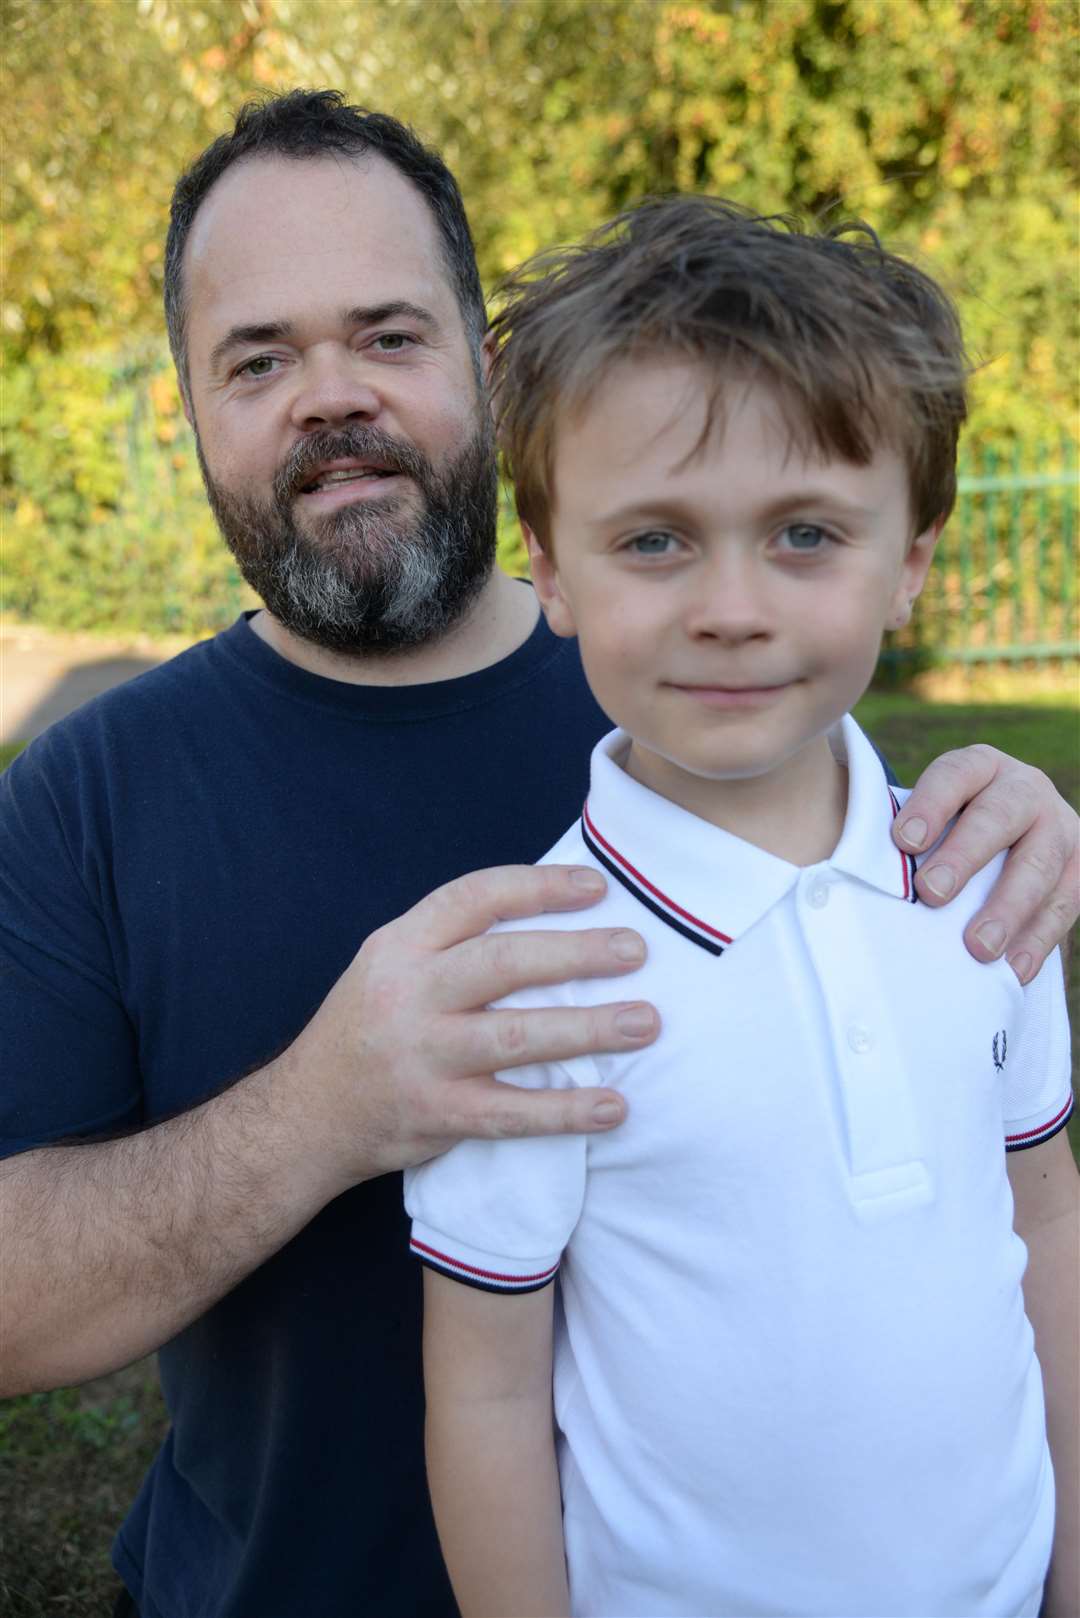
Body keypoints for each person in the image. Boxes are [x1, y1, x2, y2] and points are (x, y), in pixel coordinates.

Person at [0, 91, 1075, 1618]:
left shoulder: (698, 685)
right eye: (257, 359)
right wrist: (324, 1108)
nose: (329, 396)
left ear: (484, 373)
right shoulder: (86, 793)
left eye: (387, 333)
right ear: (189, 405)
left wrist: (1014, 820)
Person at [407, 197, 1080, 1617]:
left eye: (805, 533)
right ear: (547, 557)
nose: (731, 605)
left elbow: (1046, 1223)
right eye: (655, 540)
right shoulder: (534, 977)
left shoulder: (984, 876)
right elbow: (483, 1391)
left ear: (911, 557)